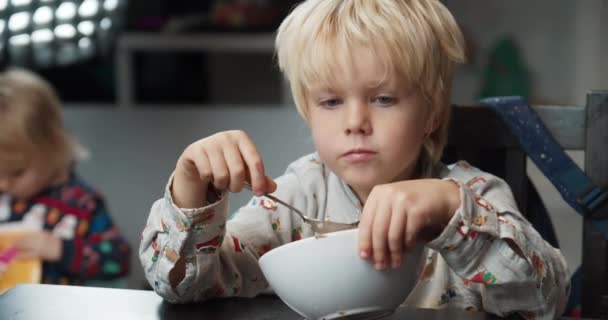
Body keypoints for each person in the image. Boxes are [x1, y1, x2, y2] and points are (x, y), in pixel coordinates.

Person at [139, 0, 569, 318]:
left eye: (383, 98)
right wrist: (191, 187)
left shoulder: (473, 194)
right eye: (330, 101)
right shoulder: (296, 198)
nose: (356, 122)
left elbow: (544, 302)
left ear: (433, 114)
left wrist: (449, 210)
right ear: (308, 112)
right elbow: (185, 288)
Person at [0, 68, 130, 285]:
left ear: (52, 146)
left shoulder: (82, 201)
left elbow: (118, 260)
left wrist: (62, 250)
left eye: (16, 173)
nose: (2, 185)